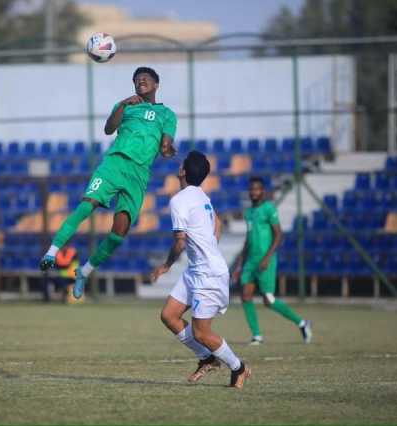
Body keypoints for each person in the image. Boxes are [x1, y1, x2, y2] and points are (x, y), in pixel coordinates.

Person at [40, 67, 177, 299]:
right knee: (87, 204)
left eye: (145, 78)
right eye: (136, 79)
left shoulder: (167, 114)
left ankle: (83, 272)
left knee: (119, 232)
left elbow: (167, 142)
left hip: (139, 174)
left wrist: (167, 148)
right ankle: (52, 252)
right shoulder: (125, 106)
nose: (140, 81)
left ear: (156, 85)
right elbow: (108, 129)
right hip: (114, 164)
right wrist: (123, 104)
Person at [151, 151, 251, 389]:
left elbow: (180, 242)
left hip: (208, 274)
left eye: (182, 164)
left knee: (201, 333)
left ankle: (239, 368)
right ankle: (207, 358)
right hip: (197, 270)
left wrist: (165, 266)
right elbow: (217, 221)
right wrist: (211, 245)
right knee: (169, 315)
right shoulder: (202, 196)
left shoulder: (179, 200)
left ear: (183, 171)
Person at [232, 176, 312, 345]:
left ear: (263, 191)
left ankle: (302, 323)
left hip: (265, 260)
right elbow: (248, 239)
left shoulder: (269, 208)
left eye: (257, 189)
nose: (254, 192)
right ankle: (257, 336)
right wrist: (240, 263)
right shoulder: (249, 212)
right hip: (251, 261)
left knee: (268, 300)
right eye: (251, 189)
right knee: (245, 295)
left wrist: (267, 257)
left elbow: (279, 234)